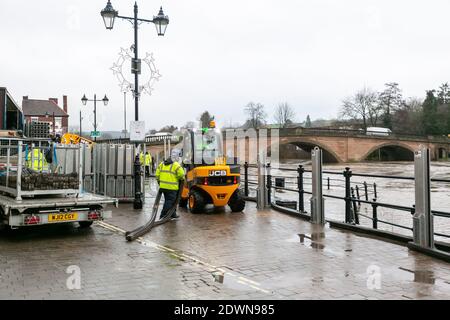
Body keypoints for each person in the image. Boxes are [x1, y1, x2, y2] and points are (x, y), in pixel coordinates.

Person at [155, 149, 185, 220]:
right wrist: (178, 178)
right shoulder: (176, 164)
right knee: (170, 201)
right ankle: (162, 216)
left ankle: (172, 214)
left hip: (163, 187)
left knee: (170, 200)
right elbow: (181, 175)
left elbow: (157, 175)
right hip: (171, 187)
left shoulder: (162, 164)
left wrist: (160, 182)